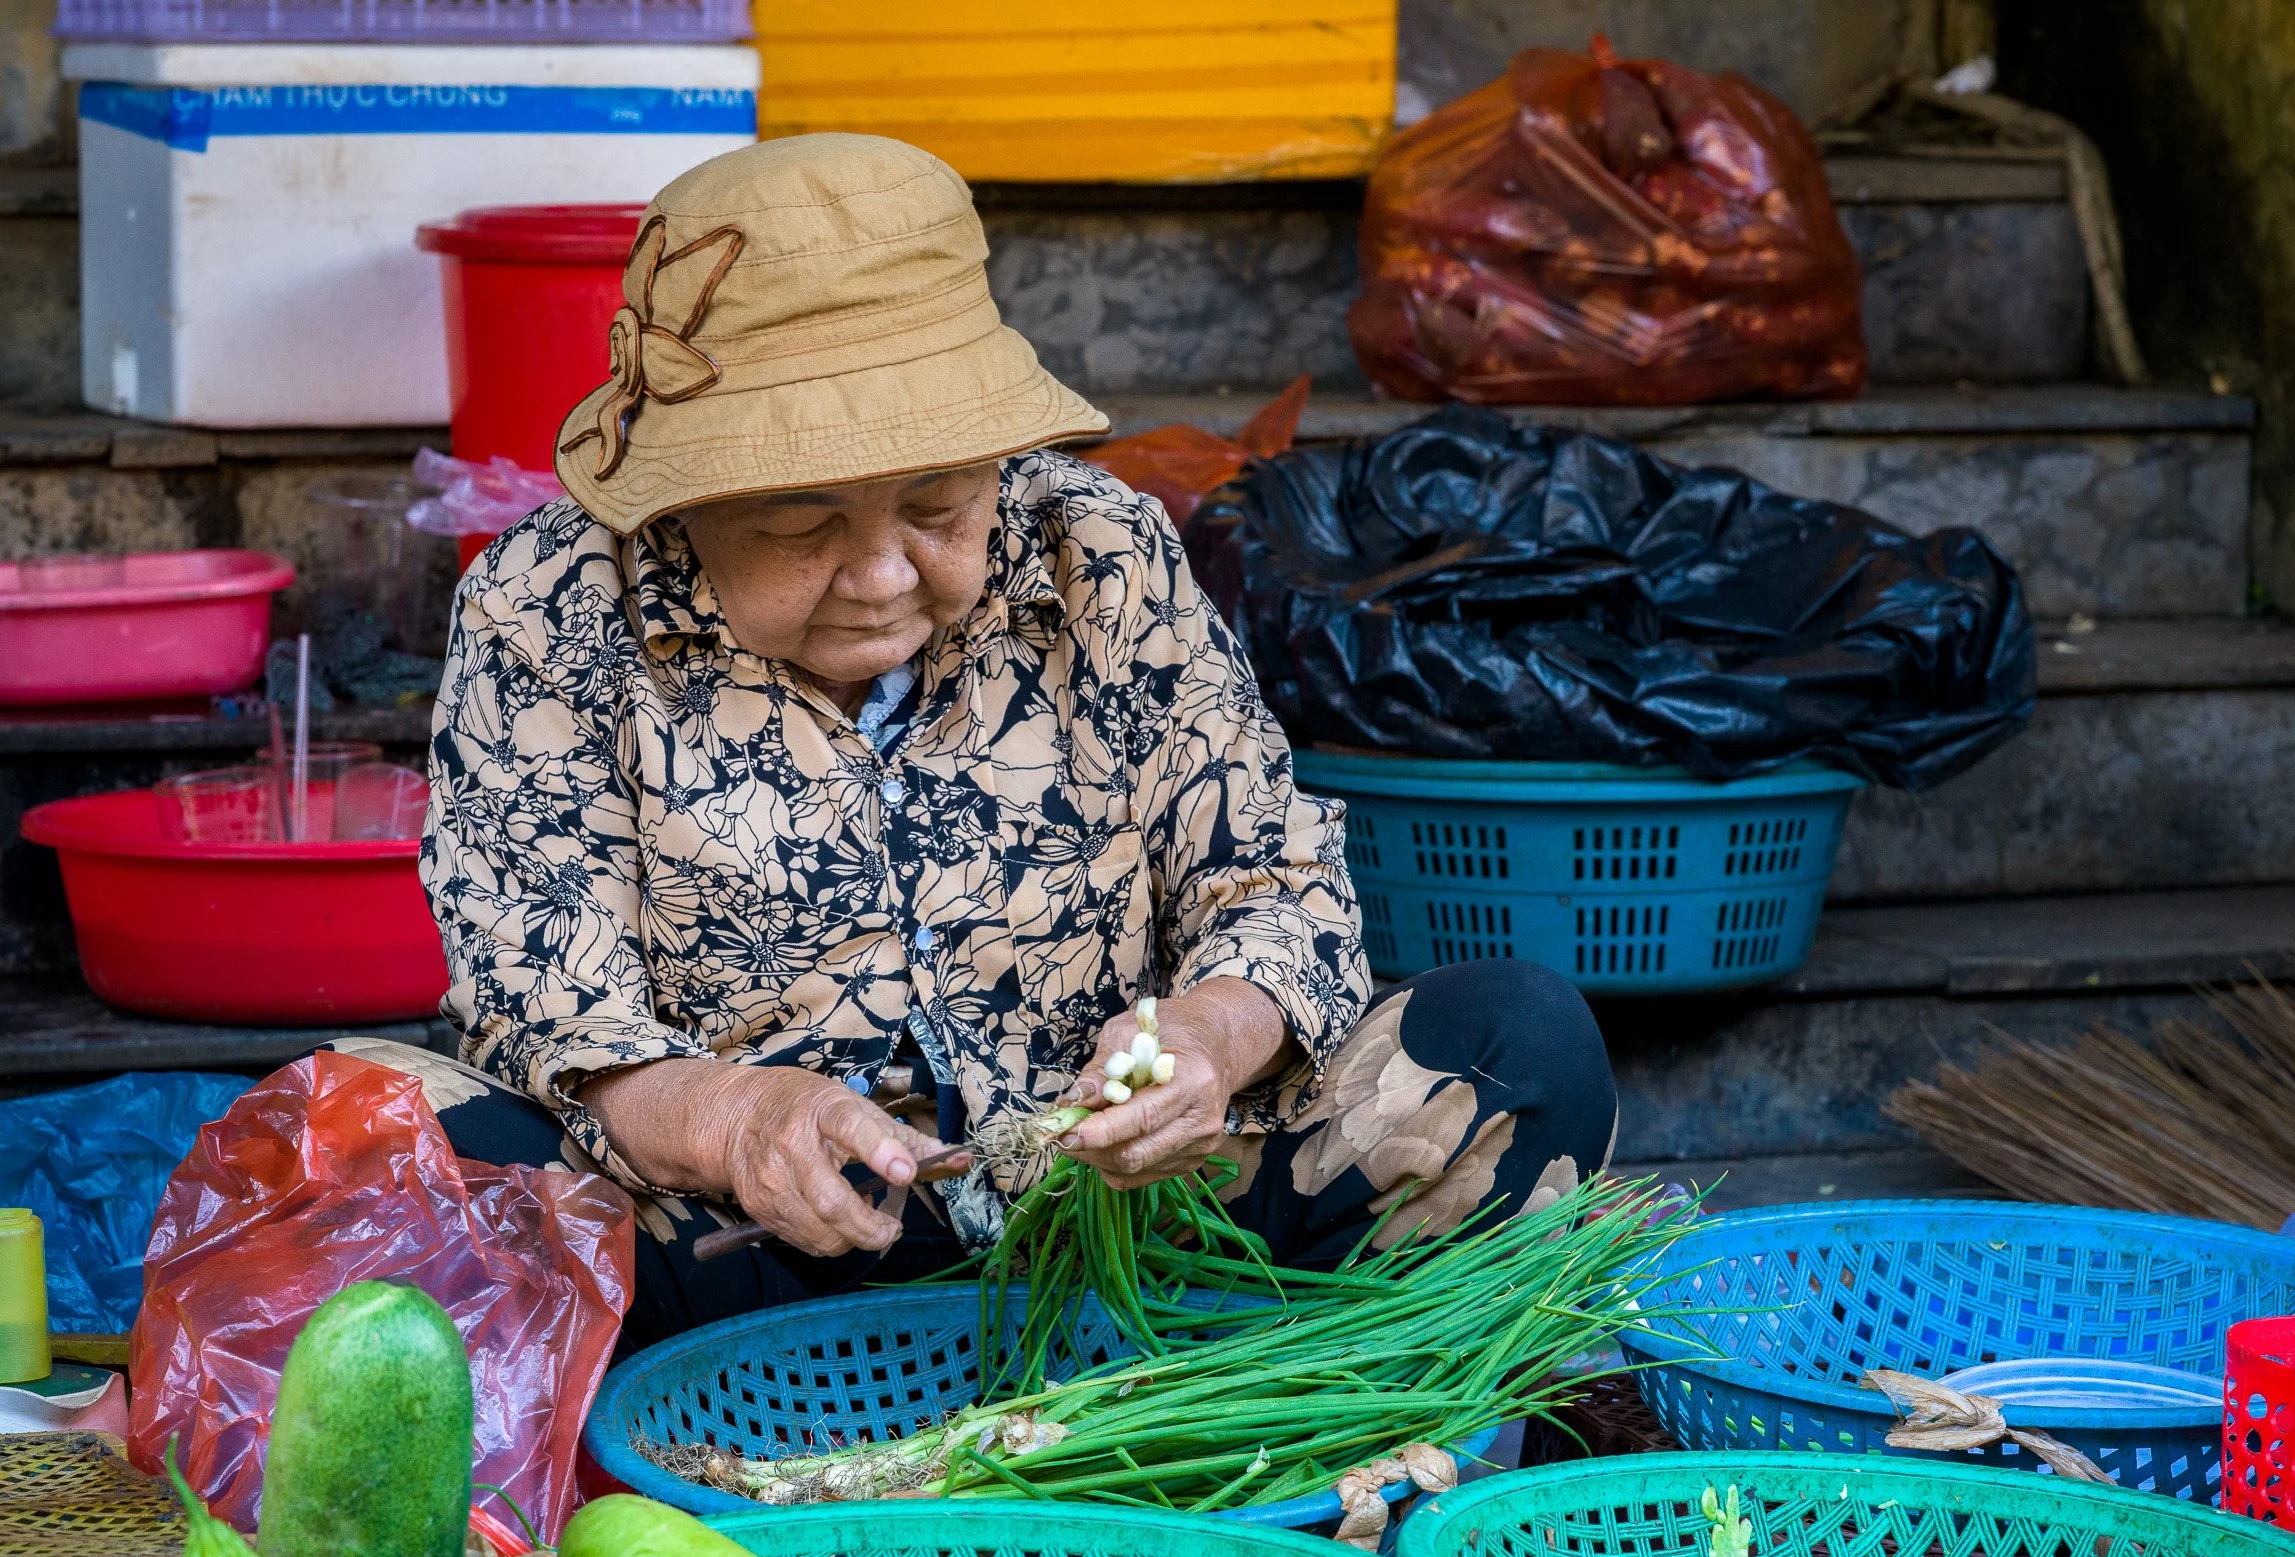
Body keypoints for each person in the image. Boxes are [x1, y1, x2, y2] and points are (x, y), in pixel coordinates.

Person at [362, 133, 1614, 1350]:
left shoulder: (1097, 551)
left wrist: (1201, 1045)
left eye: (935, 504)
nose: (880, 570)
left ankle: (1236, 1391)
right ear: (686, 497)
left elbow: (1278, 888)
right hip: (752, 1252)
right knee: (379, 1145)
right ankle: (775, 1412)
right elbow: (548, 1005)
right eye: (801, 519)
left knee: (1519, 1041)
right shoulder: (552, 603)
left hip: (1149, 1221)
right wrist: (741, 1119)